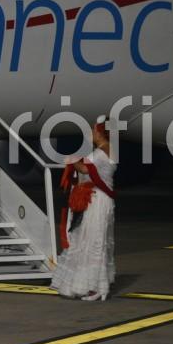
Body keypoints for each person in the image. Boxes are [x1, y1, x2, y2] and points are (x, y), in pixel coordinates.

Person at [51, 115, 117, 301]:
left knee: (93, 242)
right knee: (90, 241)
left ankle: (97, 288)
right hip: (98, 199)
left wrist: (72, 160)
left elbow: (87, 170)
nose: (91, 133)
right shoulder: (105, 150)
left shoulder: (103, 152)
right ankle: (93, 286)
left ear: (100, 132)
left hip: (98, 201)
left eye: (93, 130)